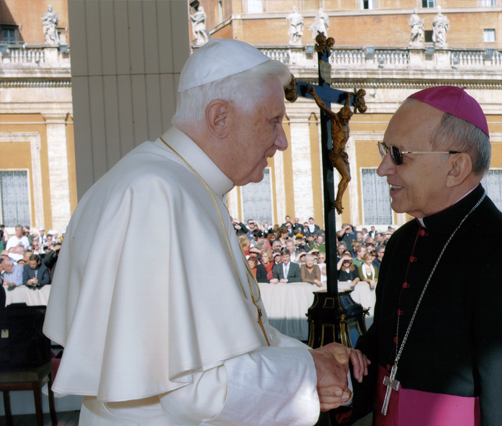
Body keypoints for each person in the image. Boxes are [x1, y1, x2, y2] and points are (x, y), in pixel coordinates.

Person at [43, 39, 369, 425]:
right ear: (219, 117)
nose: (280, 142)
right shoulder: (159, 194)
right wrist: (308, 373)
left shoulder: (164, 180)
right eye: (273, 122)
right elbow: (197, 391)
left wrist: (307, 356)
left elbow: (224, 342)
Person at [346, 86, 502, 425]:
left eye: (398, 154)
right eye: (385, 150)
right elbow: (391, 347)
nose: (382, 169)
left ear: (456, 167)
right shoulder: (402, 243)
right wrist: (342, 378)